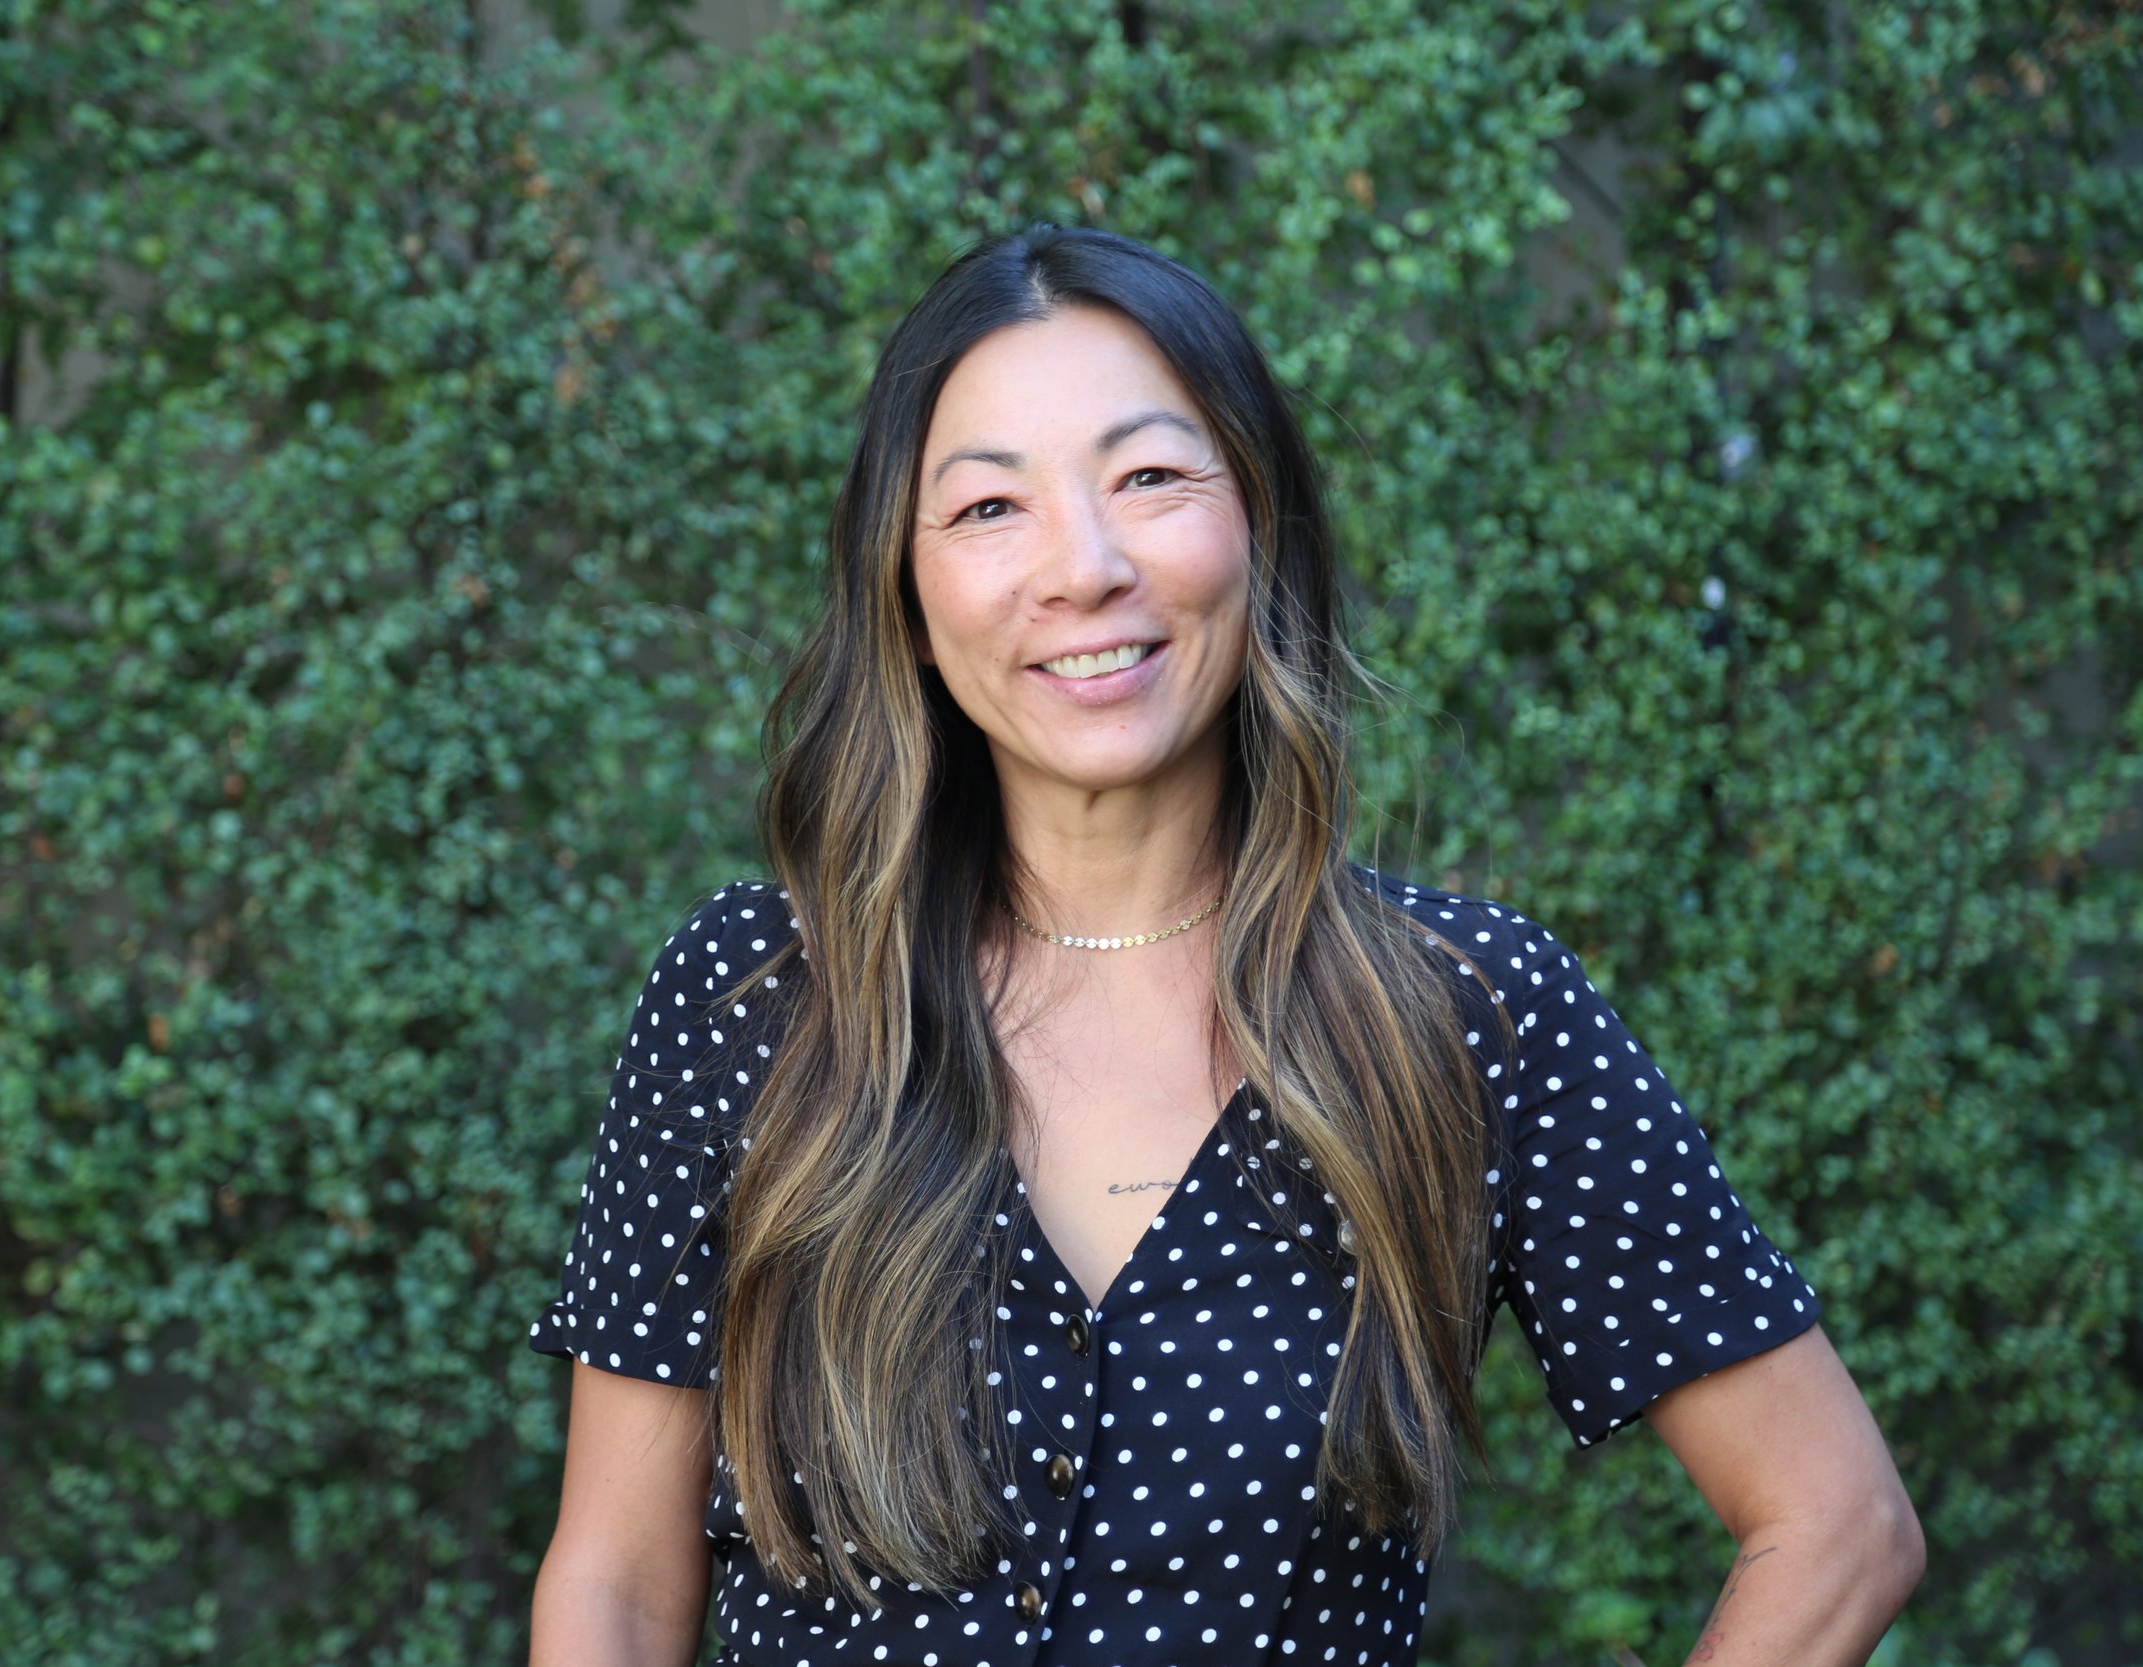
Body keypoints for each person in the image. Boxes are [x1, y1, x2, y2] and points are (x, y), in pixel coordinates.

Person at [525, 224, 1923, 1667]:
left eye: (1148, 478)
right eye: (991, 508)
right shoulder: (757, 1000)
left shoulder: (1466, 1018)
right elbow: (617, 1589)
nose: (1084, 568)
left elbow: (1837, 1524)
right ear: (911, 599)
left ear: (1260, 525)